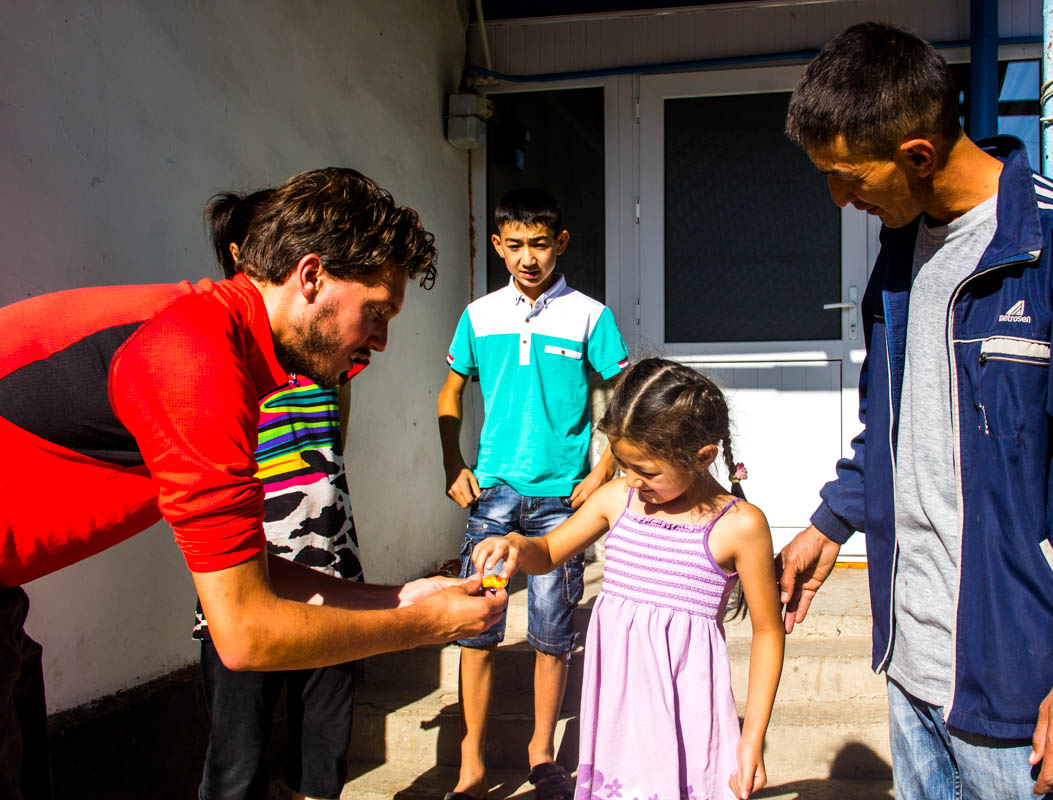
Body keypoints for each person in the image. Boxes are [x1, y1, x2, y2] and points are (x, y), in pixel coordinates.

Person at [774, 22, 1053, 799]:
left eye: (846, 176)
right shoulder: (900, 252)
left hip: (1027, 693)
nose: (839, 198)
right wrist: (835, 519)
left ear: (919, 156)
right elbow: (894, 421)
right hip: (911, 666)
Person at [0, 167, 507, 799]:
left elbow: (256, 575)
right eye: (376, 312)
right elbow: (244, 632)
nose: (381, 340)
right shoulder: (196, 358)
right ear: (311, 275)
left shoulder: (225, 345)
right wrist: (427, 628)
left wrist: (403, 598)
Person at [473, 357, 785, 800]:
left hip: (688, 718)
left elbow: (768, 632)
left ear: (703, 458)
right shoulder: (616, 499)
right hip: (616, 717)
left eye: (648, 471)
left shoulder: (740, 526)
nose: (633, 481)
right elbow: (546, 552)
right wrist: (516, 545)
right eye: (623, 465)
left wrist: (751, 736)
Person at [436, 187, 630, 800]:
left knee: (552, 631)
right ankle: (472, 754)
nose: (528, 257)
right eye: (515, 245)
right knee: (480, 623)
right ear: (497, 246)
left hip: (557, 511)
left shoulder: (590, 315)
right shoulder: (479, 315)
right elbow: (450, 395)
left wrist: (599, 474)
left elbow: (628, 401)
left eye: (540, 245)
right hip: (493, 501)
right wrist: (453, 464)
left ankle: (540, 750)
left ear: (560, 244)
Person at [193, 189, 361, 800]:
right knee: (236, 763)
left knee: (321, 762)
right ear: (244, 253)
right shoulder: (214, 350)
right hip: (246, 580)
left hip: (333, 570)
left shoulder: (324, 348)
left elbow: (337, 429)